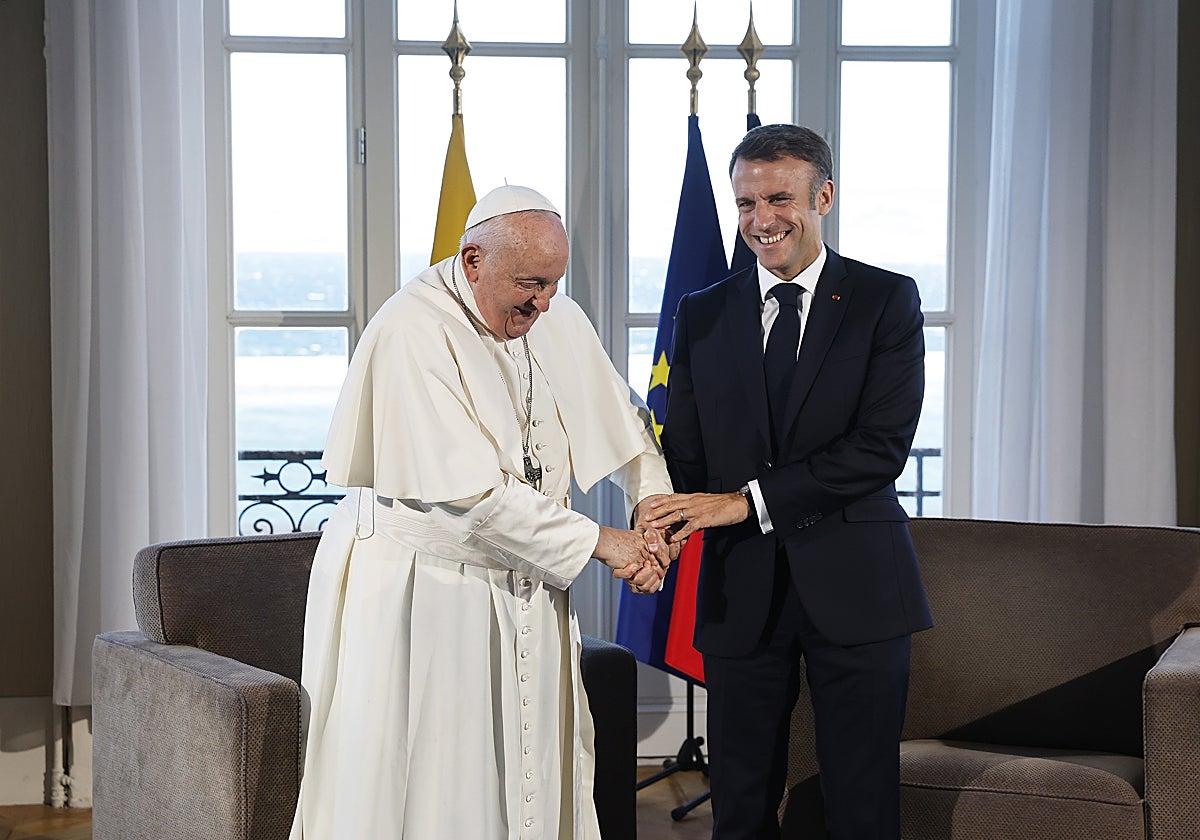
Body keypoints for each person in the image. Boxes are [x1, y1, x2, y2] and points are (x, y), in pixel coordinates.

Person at [289, 185, 674, 839]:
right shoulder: (412, 330)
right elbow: (470, 499)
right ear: (473, 261)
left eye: (554, 284)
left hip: (523, 581)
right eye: (531, 284)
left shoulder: (552, 314)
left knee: (533, 777)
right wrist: (606, 544)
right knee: (437, 782)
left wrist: (652, 511)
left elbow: (625, 422)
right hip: (423, 592)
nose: (544, 303)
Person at [641, 124, 932, 839]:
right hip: (743, 592)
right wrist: (643, 498)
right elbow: (686, 456)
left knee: (861, 805)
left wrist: (744, 502)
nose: (760, 221)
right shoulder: (701, 313)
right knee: (738, 805)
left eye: (778, 199)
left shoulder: (884, 302)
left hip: (858, 589)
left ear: (823, 196)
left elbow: (879, 450)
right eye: (744, 203)